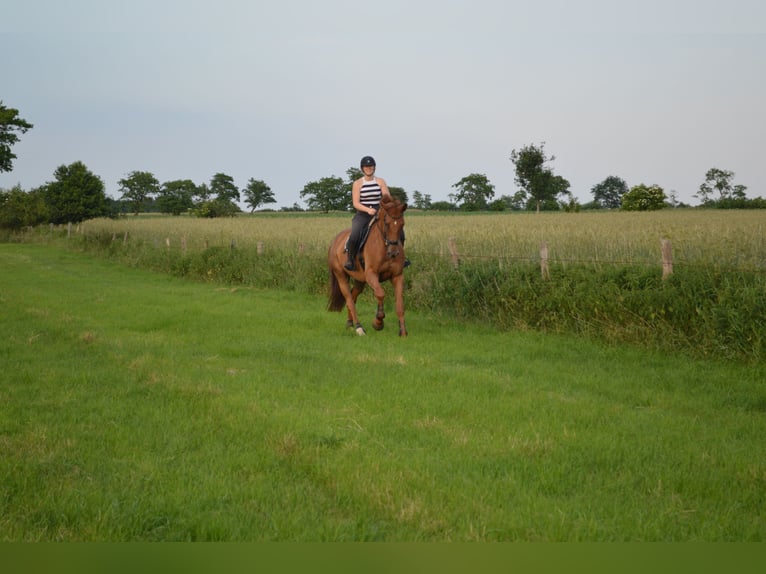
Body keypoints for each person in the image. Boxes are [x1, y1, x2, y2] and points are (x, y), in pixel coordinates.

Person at [344, 155, 391, 270]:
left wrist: (383, 205)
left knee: (396, 229)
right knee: (355, 234)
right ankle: (350, 260)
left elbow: (387, 197)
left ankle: (400, 258)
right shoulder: (358, 183)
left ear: (374, 167)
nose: (368, 168)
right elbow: (356, 203)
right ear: (362, 168)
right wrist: (368, 210)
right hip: (363, 213)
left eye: (371, 166)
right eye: (366, 166)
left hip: (379, 211)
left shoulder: (380, 181)